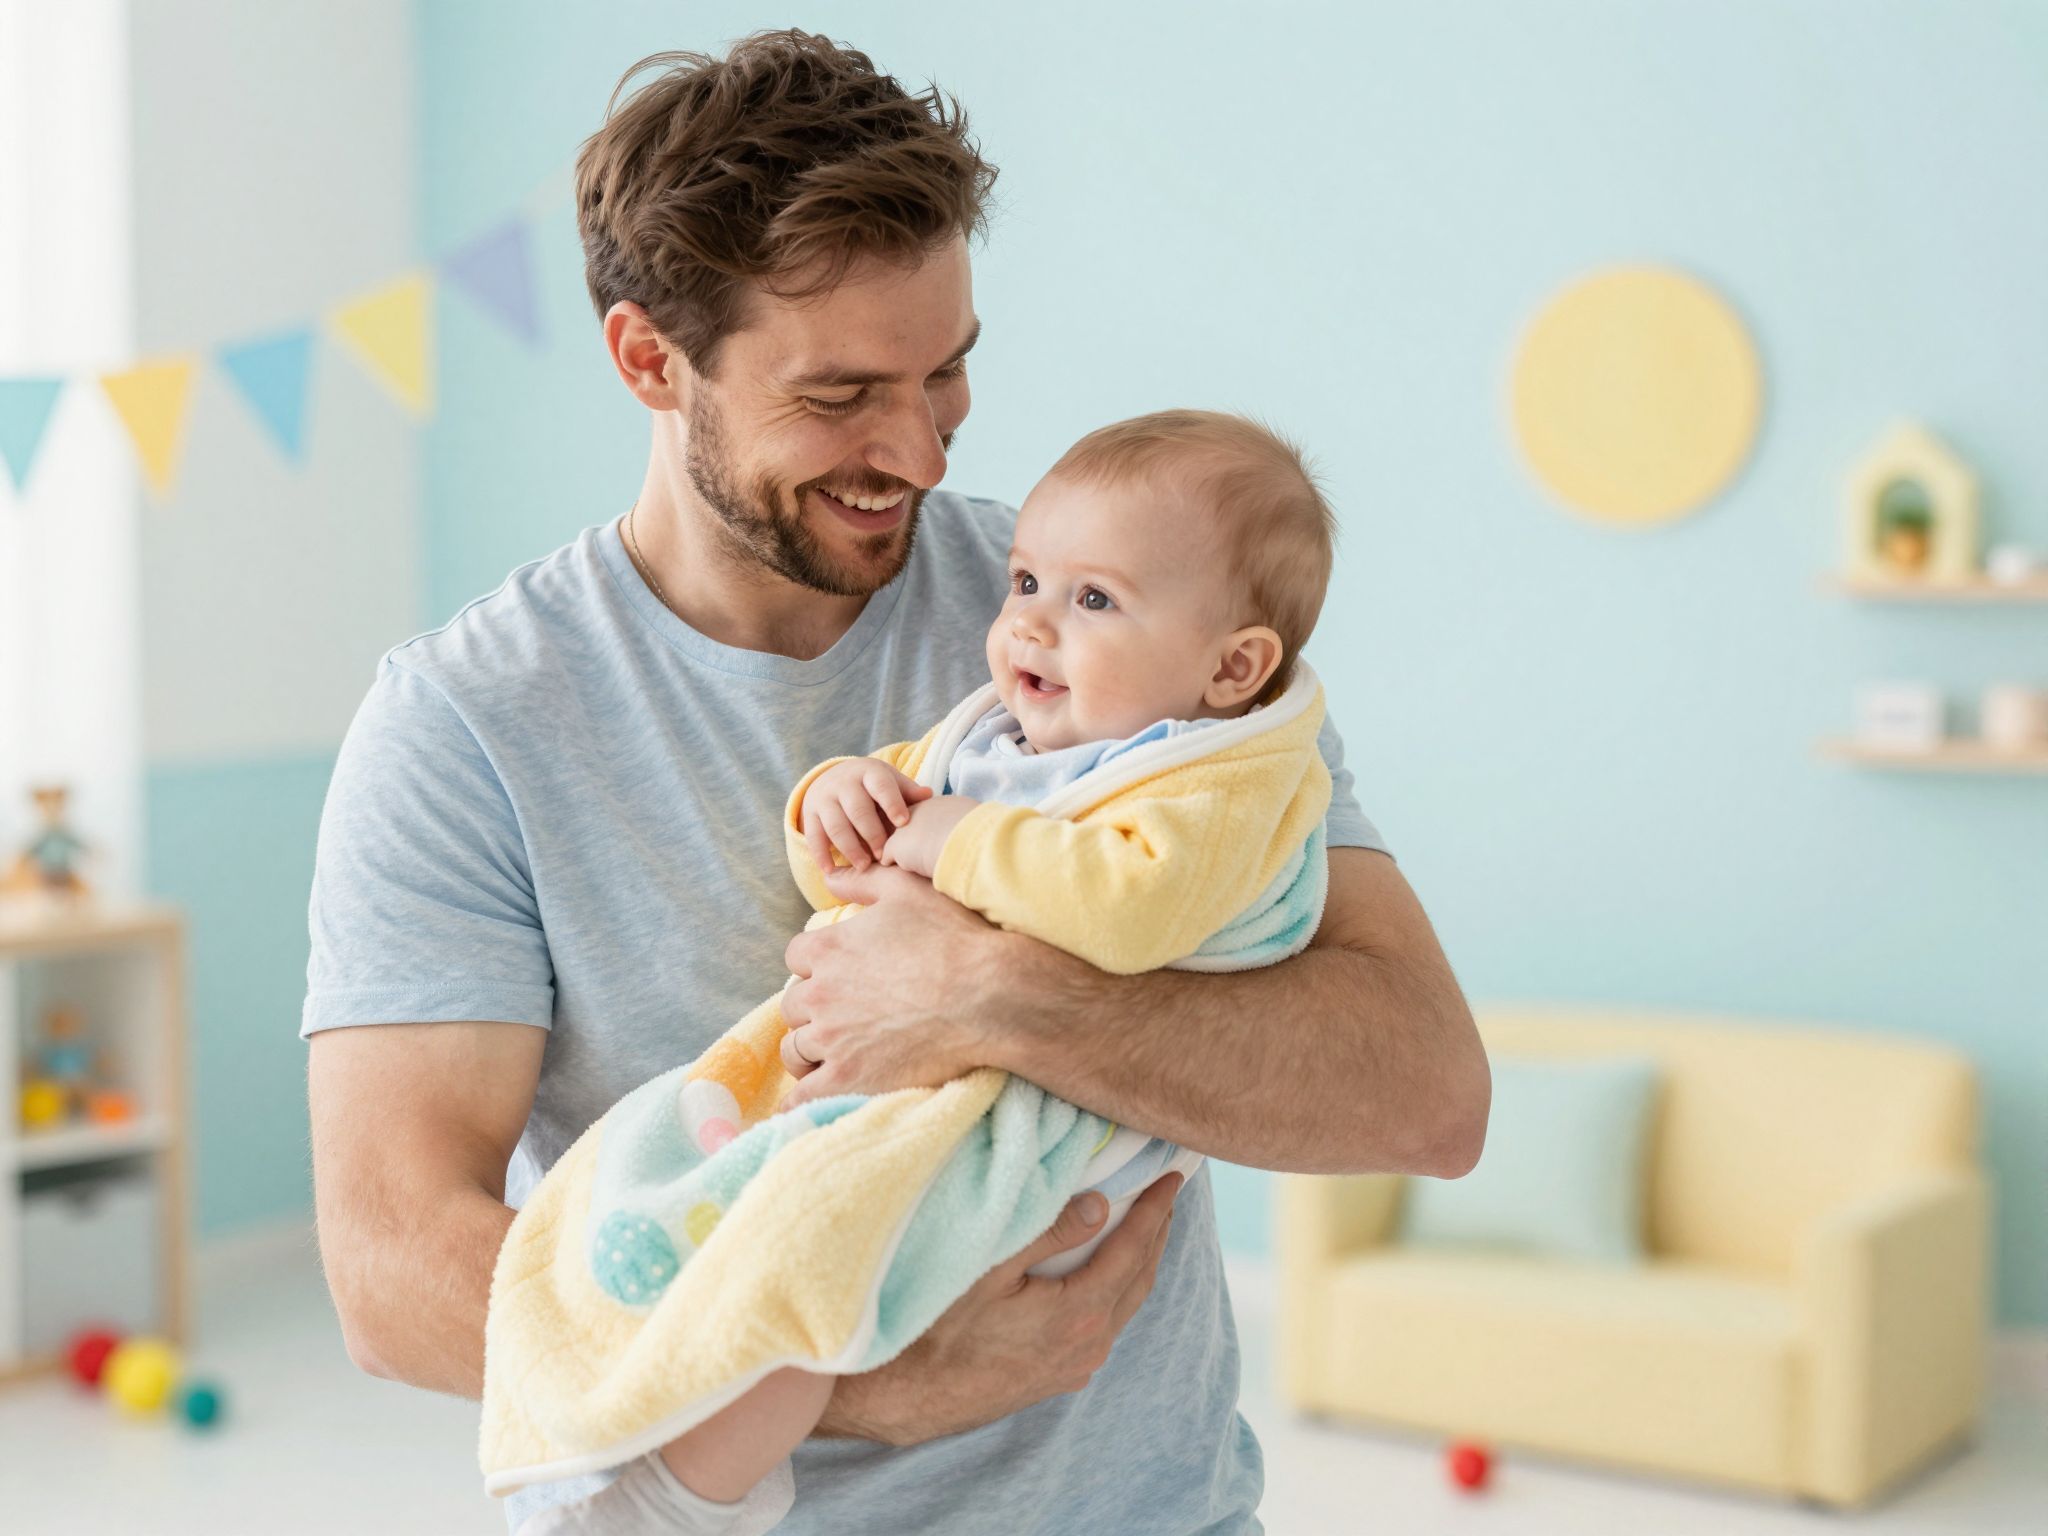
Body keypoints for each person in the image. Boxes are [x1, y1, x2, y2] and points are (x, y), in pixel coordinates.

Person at [304, 31, 1487, 1536]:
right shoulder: (467, 724)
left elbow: (1428, 1097)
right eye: (845, 392)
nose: (920, 453)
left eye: (948, 370)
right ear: (650, 360)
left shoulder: (1121, 617)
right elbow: (389, 1270)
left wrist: (995, 997)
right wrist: (854, 1373)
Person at [500, 410, 1347, 1535]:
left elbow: (1128, 907)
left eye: (1093, 601)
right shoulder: (1005, 743)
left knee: (818, 1241)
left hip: (1034, 1116)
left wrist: (957, 845)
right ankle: (621, 1434)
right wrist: (836, 799)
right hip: (911, 1077)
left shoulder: (1210, 784)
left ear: (1232, 666)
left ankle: (680, 1497)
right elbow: (865, 844)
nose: (1030, 623)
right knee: (723, 1201)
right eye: (1026, 583)